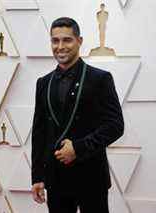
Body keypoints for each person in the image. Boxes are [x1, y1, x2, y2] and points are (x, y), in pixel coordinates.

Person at [31, 17, 124, 213]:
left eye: (67, 40)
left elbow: (115, 125)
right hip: (55, 180)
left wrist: (78, 148)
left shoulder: (100, 79)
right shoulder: (43, 83)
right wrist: (37, 176)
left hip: (91, 178)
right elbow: (40, 132)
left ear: (79, 41)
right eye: (55, 41)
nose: (60, 46)